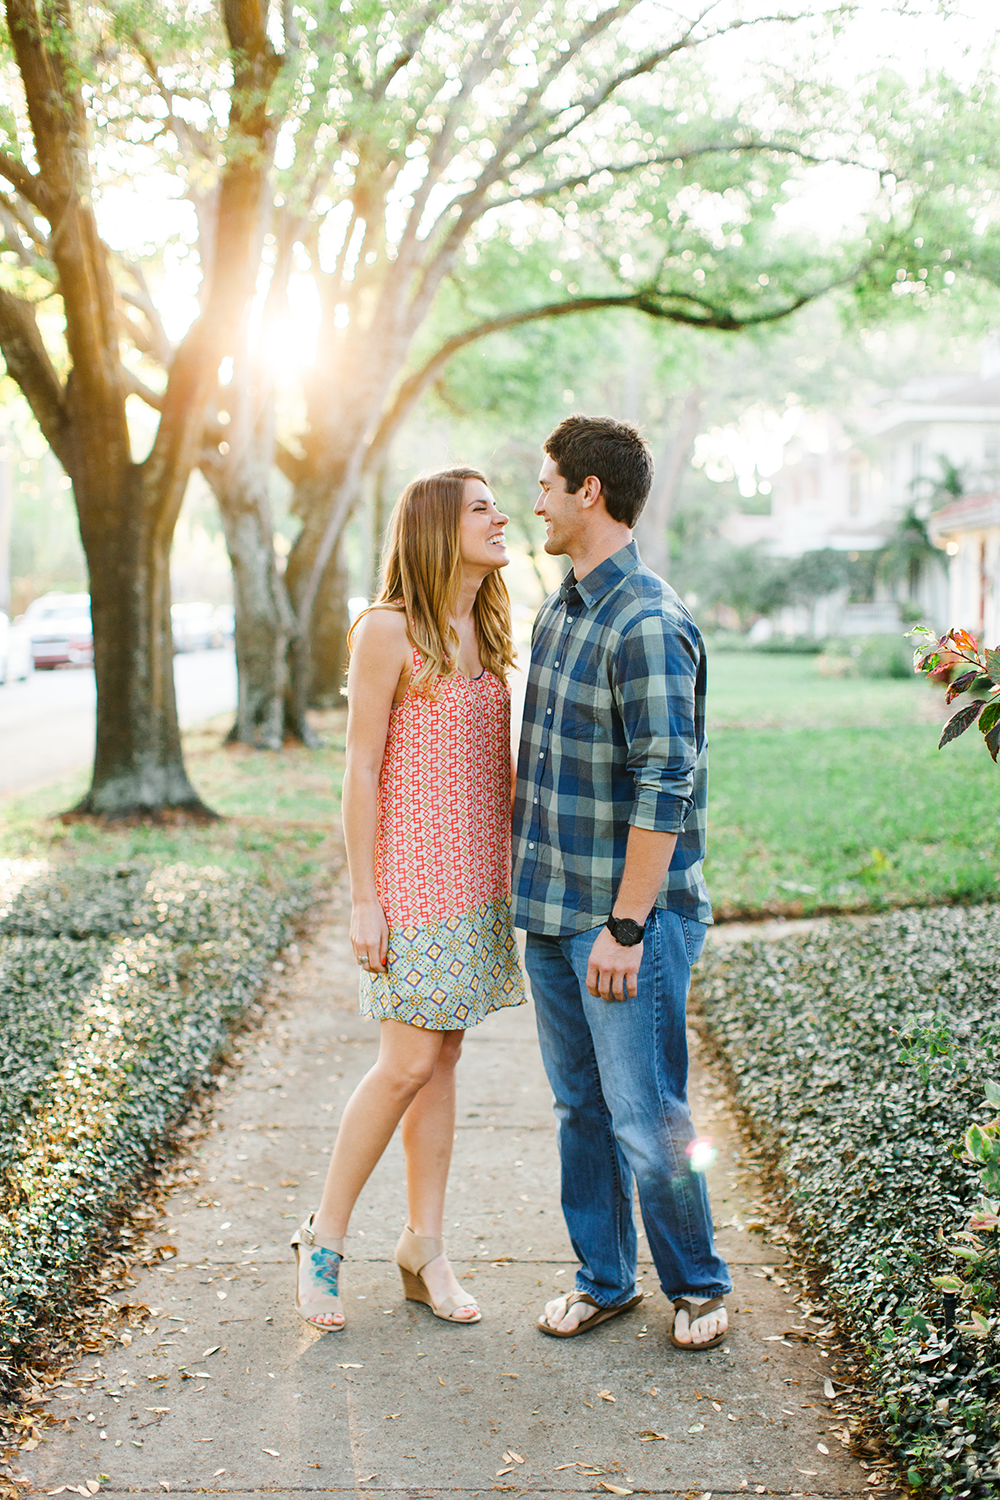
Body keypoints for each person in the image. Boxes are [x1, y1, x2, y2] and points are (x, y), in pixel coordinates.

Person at [511, 415, 732, 1351]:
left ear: (589, 491)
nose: (537, 502)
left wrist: (628, 926)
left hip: (626, 921)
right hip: (554, 912)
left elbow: (665, 783)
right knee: (582, 1110)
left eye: (547, 484)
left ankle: (699, 1286)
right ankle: (605, 1279)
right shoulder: (561, 610)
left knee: (647, 1114)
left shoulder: (647, 621)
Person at [292, 467, 526, 1331]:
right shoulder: (387, 628)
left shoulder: (486, 626)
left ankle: (424, 1247)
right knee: (404, 1065)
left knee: (443, 1058)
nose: (502, 517)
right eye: (481, 508)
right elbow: (358, 769)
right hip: (411, 884)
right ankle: (323, 1239)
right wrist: (365, 898)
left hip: (478, 882)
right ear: (435, 528)